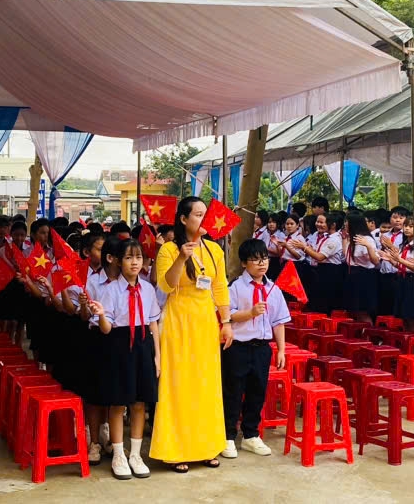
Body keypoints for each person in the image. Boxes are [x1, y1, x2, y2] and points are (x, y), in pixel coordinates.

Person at [152, 196, 231, 473]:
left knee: (206, 383)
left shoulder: (214, 249)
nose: (203, 219)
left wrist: (226, 321)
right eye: (197, 214)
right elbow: (166, 285)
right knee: (178, 384)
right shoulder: (169, 249)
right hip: (178, 319)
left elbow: (220, 286)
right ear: (183, 219)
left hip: (205, 321)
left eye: (204, 214)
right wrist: (182, 258)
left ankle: (207, 447)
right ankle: (176, 450)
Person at [86, 238, 160, 480]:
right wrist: (100, 315)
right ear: (118, 261)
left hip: (143, 346)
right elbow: (106, 328)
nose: (134, 263)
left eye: (138, 257)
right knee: (118, 403)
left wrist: (157, 357)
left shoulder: (148, 289)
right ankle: (119, 454)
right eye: (129, 258)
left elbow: (153, 323)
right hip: (118, 346)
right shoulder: (110, 290)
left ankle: (136, 454)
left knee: (139, 403)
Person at [222, 239, 290, 458]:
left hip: (261, 347)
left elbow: (278, 321)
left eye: (265, 259)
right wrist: (250, 313)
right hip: (238, 347)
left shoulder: (273, 289)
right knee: (233, 391)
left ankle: (251, 434)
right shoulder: (235, 287)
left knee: (257, 391)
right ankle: (228, 436)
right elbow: (228, 315)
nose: (262, 263)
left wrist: (281, 350)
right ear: (244, 263)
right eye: (255, 259)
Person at [345, 213, 379, 322]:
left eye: (347, 223)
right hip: (353, 274)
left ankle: (368, 331)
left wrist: (368, 246)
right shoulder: (352, 238)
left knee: (363, 310)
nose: (345, 225)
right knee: (355, 311)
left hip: (364, 276)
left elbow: (376, 261)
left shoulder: (366, 239)